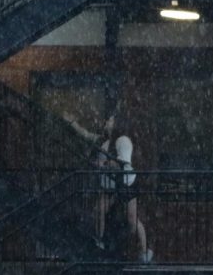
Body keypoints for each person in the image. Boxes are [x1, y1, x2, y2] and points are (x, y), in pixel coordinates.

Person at [64, 110, 153, 262]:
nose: (107, 122)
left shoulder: (123, 140)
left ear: (117, 124)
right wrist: (73, 124)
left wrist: (103, 164)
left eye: (110, 120)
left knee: (132, 220)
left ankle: (144, 253)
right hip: (110, 185)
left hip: (125, 184)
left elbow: (122, 163)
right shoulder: (103, 141)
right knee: (100, 209)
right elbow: (86, 135)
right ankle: (99, 242)